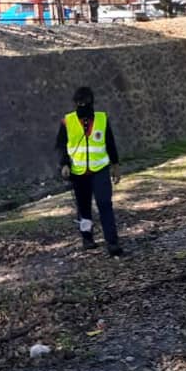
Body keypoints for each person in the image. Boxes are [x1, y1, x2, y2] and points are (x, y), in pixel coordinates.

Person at [56, 86, 123, 256]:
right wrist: (64, 164)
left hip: (100, 169)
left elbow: (110, 143)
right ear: (75, 103)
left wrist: (115, 166)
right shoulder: (67, 121)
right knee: (83, 208)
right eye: (78, 103)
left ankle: (112, 242)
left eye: (85, 102)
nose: (82, 106)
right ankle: (87, 238)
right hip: (78, 172)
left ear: (91, 102)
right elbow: (61, 145)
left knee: (105, 204)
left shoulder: (102, 119)